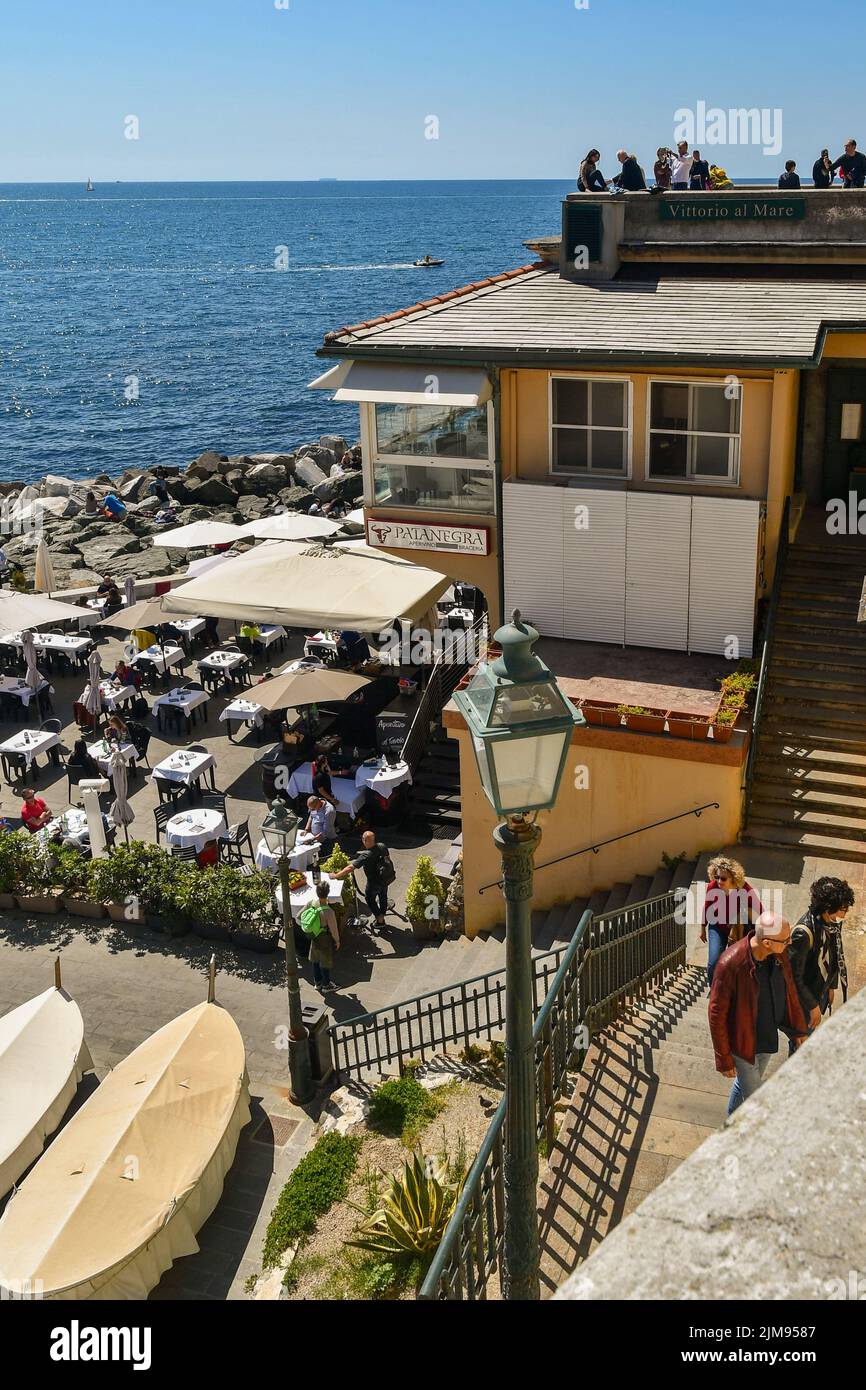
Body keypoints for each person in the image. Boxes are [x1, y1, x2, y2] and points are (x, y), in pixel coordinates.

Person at [709, 911, 808, 1115]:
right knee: (756, 1099)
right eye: (785, 940)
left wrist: (798, 1030)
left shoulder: (779, 955)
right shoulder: (730, 964)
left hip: (767, 1036)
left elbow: (790, 991)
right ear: (767, 943)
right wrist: (724, 1058)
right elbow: (716, 1014)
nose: (789, 943)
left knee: (743, 1086)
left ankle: (729, 1126)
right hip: (743, 1042)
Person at [788, 877, 852, 1040]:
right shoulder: (803, 934)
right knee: (801, 1040)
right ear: (827, 908)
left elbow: (835, 952)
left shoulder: (830, 922)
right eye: (843, 909)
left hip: (820, 990)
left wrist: (832, 985)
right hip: (806, 1001)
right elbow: (794, 978)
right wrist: (813, 1006)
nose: (845, 914)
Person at [699, 856, 764, 987]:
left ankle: (731, 989)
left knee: (736, 963)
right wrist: (702, 927)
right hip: (717, 926)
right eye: (717, 877)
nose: (719, 881)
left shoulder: (745, 890)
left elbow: (760, 911)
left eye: (723, 878)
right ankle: (715, 989)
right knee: (714, 961)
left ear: (733, 878)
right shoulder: (713, 886)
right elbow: (707, 906)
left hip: (738, 930)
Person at [333, 829, 394, 929]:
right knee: (383, 896)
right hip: (385, 879)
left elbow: (350, 867)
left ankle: (380, 920)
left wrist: (336, 875)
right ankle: (382, 914)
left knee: (369, 899)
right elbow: (388, 859)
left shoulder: (366, 855)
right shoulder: (382, 846)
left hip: (373, 883)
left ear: (364, 840)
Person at [303, 881, 341, 992]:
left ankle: (317, 983)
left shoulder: (311, 903)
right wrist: (337, 941)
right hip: (324, 937)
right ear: (328, 893)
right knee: (325, 961)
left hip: (314, 936)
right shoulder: (329, 911)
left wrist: (310, 926)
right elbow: (334, 929)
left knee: (315, 959)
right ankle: (326, 985)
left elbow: (299, 915)